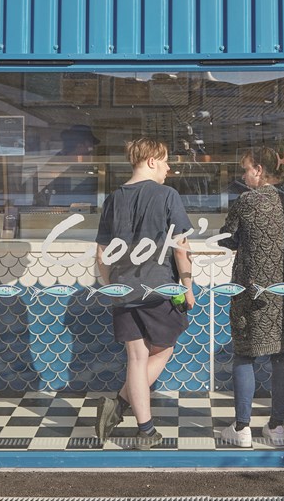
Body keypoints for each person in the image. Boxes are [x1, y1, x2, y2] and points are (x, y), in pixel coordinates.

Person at [219, 146, 284, 447]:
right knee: (283, 355)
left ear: (259, 170)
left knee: (244, 354)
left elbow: (228, 238)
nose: (242, 175)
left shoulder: (247, 201)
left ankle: (242, 429)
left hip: (254, 293)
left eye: (245, 169)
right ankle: (276, 428)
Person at [94, 137, 195, 449]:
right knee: (163, 349)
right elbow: (181, 247)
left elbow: (101, 253)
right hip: (158, 288)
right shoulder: (167, 195)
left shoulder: (113, 198)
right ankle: (121, 405)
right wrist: (188, 287)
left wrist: (113, 284)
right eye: (165, 161)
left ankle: (146, 430)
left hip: (123, 288)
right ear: (151, 161)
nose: (168, 168)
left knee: (136, 358)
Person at [35, 124, 100, 207]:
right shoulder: (55, 164)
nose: (92, 149)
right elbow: (41, 194)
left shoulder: (84, 165)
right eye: (90, 145)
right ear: (79, 145)